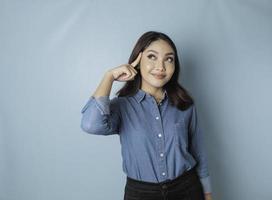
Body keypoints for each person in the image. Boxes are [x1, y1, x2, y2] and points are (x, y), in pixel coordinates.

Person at [80, 31, 213, 200]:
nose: (161, 66)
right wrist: (109, 77)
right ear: (137, 61)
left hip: (187, 188)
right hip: (141, 194)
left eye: (169, 59)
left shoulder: (184, 104)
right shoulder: (122, 106)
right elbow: (91, 124)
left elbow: (198, 151)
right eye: (152, 57)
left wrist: (207, 194)